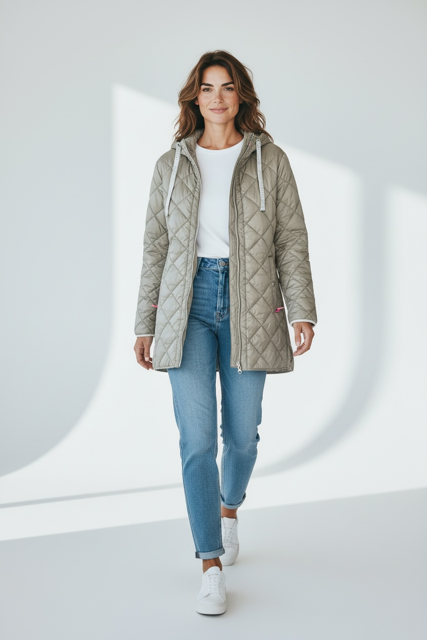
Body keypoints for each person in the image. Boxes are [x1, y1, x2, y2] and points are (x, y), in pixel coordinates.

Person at [133, 50, 317, 615]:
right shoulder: (171, 164)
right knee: (196, 441)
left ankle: (228, 509)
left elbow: (291, 238)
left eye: (228, 87)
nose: (217, 98)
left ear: (241, 96)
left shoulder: (270, 159)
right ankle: (209, 563)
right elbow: (155, 247)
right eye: (208, 87)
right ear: (195, 96)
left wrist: (302, 309)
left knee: (242, 437)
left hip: (251, 301)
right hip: (185, 306)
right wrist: (145, 321)